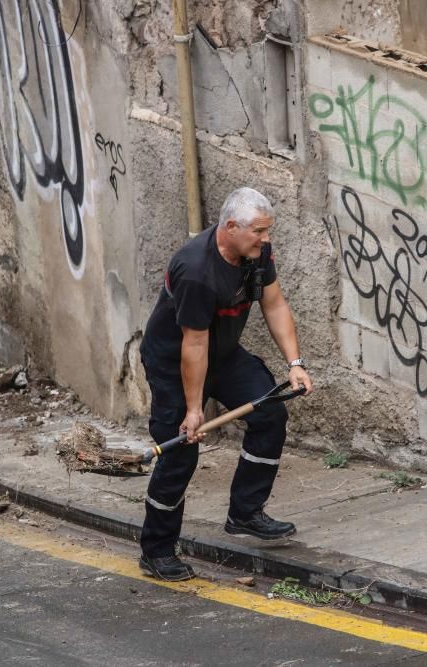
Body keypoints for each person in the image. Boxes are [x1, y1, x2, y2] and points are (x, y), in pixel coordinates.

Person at [137, 187, 313, 581]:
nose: (266, 240)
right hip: (173, 362)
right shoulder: (197, 271)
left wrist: (295, 364)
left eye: (268, 231)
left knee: (270, 414)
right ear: (230, 226)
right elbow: (193, 345)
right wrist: (195, 409)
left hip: (223, 353)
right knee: (181, 449)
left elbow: (274, 303)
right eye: (259, 232)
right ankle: (157, 550)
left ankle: (245, 513)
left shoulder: (255, 254)